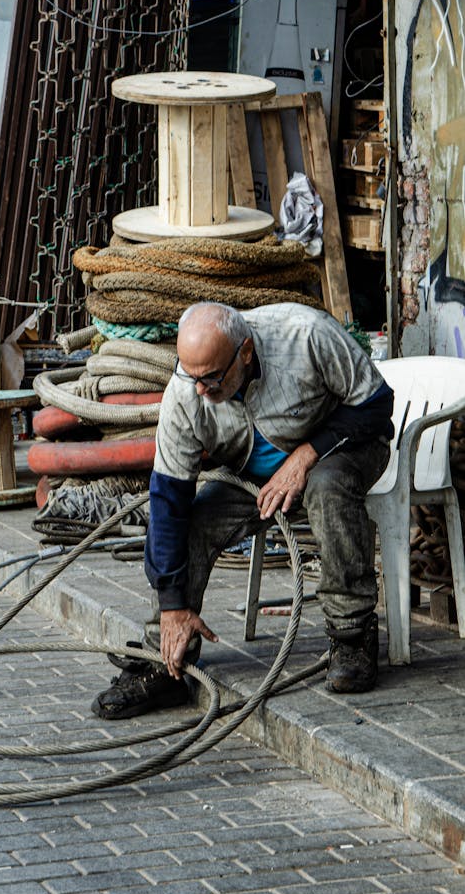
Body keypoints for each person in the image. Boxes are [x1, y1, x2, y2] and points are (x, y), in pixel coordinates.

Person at [92, 300, 394, 719]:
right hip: (252, 476)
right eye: (192, 377)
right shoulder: (186, 392)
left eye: (212, 379)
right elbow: (168, 502)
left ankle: (352, 635)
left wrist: (307, 454)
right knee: (195, 524)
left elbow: (378, 406)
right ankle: (167, 660)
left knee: (327, 488)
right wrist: (173, 603)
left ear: (246, 353)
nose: (201, 390)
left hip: (342, 451)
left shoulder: (304, 335)